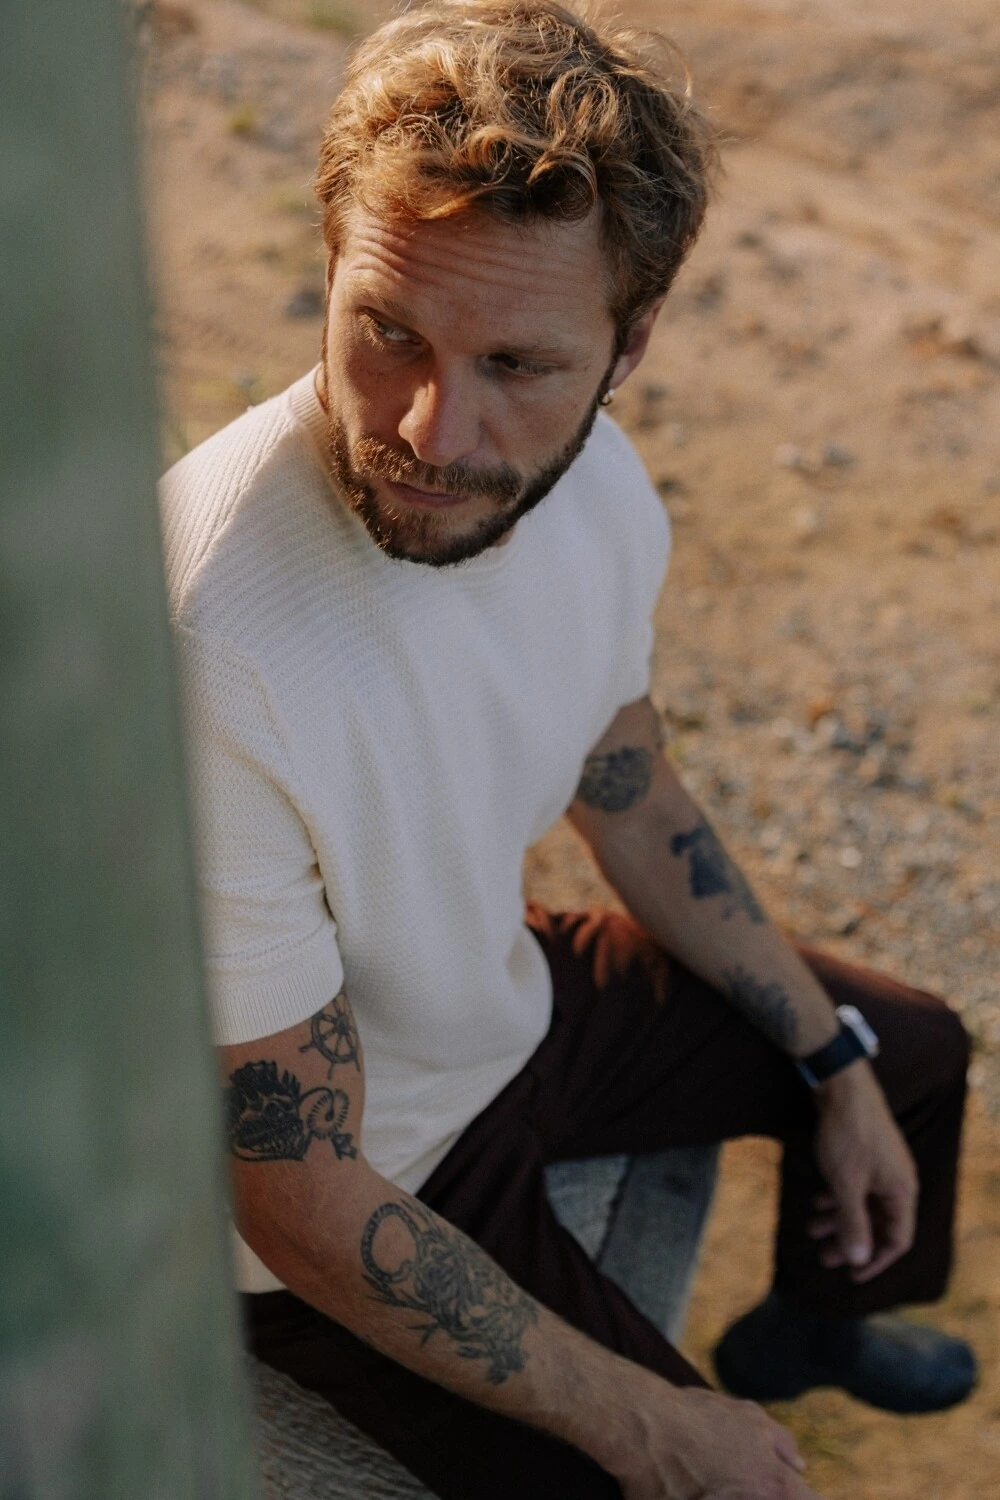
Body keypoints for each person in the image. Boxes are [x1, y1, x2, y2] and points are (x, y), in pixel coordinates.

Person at [160, 4, 975, 1496]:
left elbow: (631, 788)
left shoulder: (595, 488)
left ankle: (815, 1323)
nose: (434, 431)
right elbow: (295, 1200)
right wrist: (652, 1424)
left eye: (519, 364)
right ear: (330, 266)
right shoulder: (209, 645)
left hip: (499, 1013)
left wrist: (828, 1059)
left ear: (629, 344)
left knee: (908, 1056)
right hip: (347, 1184)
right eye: (387, 331)